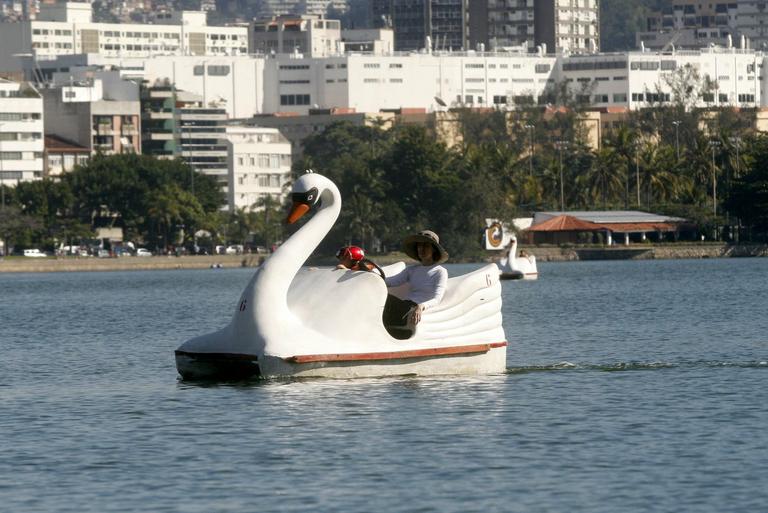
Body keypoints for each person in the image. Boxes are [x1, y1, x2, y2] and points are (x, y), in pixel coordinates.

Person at [383, 230, 448, 339]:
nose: (421, 249)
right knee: (382, 298)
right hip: (405, 306)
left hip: (414, 308)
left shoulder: (440, 271)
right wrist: (371, 277)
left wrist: (421, 306)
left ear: (433, 249)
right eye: (419, 246)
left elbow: (437, 298)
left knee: (387, 301)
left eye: (426, 246)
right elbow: (391, 281)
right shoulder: (412, 270)